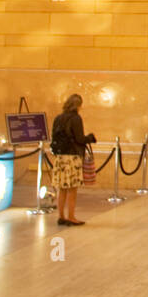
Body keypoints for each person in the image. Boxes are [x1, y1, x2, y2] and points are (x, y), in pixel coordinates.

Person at [50, 93, 97, 226]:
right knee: (72, 189)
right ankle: (71, 216)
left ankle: (61, 216)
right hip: (72, 156)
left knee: (62, 188)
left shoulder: (58, 118)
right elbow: (79, 138)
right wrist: (90, 138)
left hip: (60, 157)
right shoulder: (76, 118)